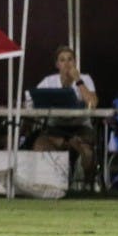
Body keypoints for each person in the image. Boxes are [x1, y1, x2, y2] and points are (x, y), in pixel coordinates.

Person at [28, 45, 98, 181]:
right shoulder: (48, 81)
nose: (67, 64)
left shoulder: (85, 78)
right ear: (57, 64)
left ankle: (88, 186)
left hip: (81, 127)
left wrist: (78, 81)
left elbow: (93, 104)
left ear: (75, 62)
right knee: (39, 145)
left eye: (70, 60)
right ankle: (57, 179)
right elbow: (31, 102)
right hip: (55, 128)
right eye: (62, 60)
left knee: (88, 153)